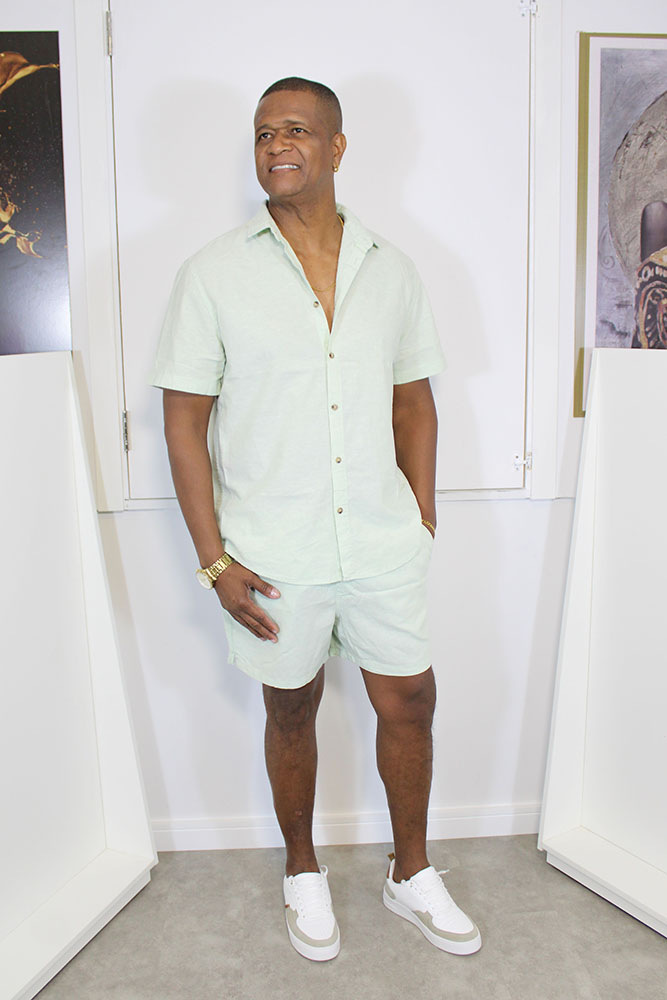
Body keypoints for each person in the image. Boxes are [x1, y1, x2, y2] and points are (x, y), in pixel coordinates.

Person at [151, 76, 481, 962]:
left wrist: (421, 516)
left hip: (379, 539)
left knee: (409, 700)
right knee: (290, 707)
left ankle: (410, 870)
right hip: (272, 550)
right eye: (264, 133)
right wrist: (214, 562)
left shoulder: (391, 268)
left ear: (336, 147)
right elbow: (183, 421)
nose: (276, 146)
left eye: (296, 130)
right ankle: (302, 869)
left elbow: (413, 401)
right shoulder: (212, 274)